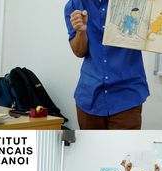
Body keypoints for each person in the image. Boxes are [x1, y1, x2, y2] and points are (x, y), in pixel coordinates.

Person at [64, 0, 149, 129]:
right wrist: (81, 32)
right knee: (92, 149)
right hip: (89, 97)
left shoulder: (135, 3)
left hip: (126, 96)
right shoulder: (75, 5)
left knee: (124, 149)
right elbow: (79, 52)